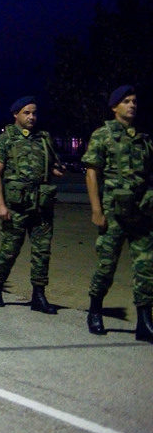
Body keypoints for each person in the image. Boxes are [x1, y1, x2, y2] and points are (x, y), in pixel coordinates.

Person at [82, 85, 153, 342]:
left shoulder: (143, 139)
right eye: (126, 101)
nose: (132, 105)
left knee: (146, 268)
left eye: (134, 101)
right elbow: (92, 173)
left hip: (142, 215)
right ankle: (95, 311)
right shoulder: (103, 135)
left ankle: (145, 321)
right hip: (113, 214)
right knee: (106, 266)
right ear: (114, 107)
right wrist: (96, 209)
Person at [0, 97, 62, 311]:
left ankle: (38, 295)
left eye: (34, 113)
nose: (31, 117)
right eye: (26, 113)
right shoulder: (4, 140)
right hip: (16, 206)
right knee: (10, 249)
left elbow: (52, 166)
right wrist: (0, 204)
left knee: (42, 252)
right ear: (15, 114)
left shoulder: (43, 139)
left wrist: (56, 170)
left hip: (42, 205)